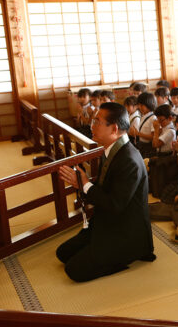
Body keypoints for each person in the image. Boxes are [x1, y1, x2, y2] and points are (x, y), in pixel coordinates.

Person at [56, 102, 155, 282]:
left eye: (97, 122)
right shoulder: (112, 149)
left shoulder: (129, 160)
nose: (92, 126)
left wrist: (85, 184)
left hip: (125, 231)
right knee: (63, 253)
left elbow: (115, 204)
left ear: (114, 128)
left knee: (73, 270)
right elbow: (105, 191)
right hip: (106, 221)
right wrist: (83, 184)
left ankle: (126, 258)